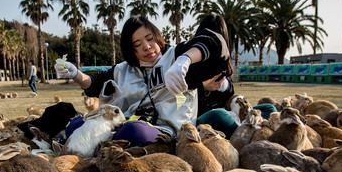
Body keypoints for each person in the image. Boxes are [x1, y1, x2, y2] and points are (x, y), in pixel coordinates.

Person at [55, 16, 228, 146]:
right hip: (126, 123)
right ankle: (103, 139)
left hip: (169, 130)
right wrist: (75, 73)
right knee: (76, 124)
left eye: (149, 38)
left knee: (134, 131)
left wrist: (185, 60)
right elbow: (93, 85)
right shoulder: (123, 69)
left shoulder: (175, 56)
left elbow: (216, 43)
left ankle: (101, 142)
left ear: (157, 36)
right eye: (137, 44)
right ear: (130, 50)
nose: (146, 46)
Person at [187, 14, 239, 139]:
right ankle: (241, 137)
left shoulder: (223, 62)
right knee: (218, 115)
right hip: (200, 117)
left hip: (223, 114)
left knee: (268, 107)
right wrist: (202, 88)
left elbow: (229, 95)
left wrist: (225, 86)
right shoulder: (189, 62)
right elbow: (181, 100)